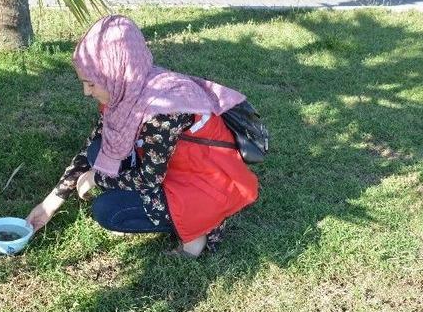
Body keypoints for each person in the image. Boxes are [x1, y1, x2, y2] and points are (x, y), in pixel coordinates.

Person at [26, 15, 259, 257]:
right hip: (175, 168)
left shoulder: (165, 109)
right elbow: (91, 148)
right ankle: (168, 214)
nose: (86, 92)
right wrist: (49, 204)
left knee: (108, 210)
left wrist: (97, 179)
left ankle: (200, 230)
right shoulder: (129, 87)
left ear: (115, 73)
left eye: (92, 84)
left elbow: (149, 180)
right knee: (97, 151)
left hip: (206, 184)